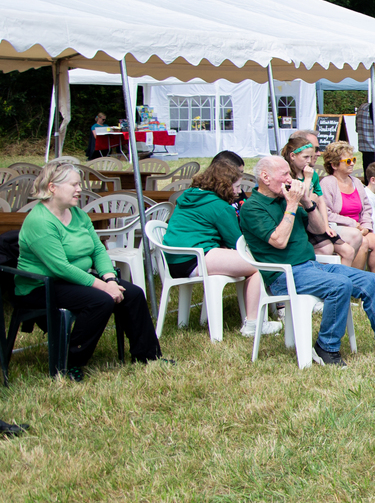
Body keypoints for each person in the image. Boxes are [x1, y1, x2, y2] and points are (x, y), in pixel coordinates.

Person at [240, 156, 375, 365]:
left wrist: (307, 203)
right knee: (340, 285)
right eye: (284, 174)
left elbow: (318, 229)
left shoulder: (286, 200)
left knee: (370, 281)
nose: (289, 179)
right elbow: (279, 241)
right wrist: (292, 204)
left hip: (310, 265)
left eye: (289, 173)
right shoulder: (252, 207)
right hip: (282, 274)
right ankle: (325, 348)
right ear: (265, 177)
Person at [14, 161, 165, 380]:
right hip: (41, 285)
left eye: (79, 184)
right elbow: (60, 268)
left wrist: (110, 279)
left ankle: (148, 356)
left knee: (132, 293)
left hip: (73, 280)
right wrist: (103, 287)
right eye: (73, 185)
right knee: (100, 301)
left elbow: (97, 249)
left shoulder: (77, 214)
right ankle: (70, 362)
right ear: (52, 187)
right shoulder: (40, 221)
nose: (79, 189)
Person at [161, 158, 278, 338]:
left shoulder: (188, 196)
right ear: (225, 185)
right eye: (237, 187)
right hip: (197, 257)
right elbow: (237, 242)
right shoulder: (220, 207)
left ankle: (254, 319)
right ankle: (253, 324)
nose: (239, 192)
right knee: (257, 266)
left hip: (175, 259)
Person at [281, 133, 356, 265]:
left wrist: (325, 225)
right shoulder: (288, 176)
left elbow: (320, 201)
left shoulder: (312, 174)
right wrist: (308, 180)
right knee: (327, 249)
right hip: (301, 223)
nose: (309, 161)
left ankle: (343, 281)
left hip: (315, 220)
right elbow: (302, 198)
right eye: (305, 157)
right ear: (292, 156)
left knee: (348, 251)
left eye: (310, 157)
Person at [320, 141, 375, 277]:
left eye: (353, 160)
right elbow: (326, 213)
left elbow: (367, 209)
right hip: (339, 229)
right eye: (348, 160)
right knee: (363, 242)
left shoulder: (356, 182)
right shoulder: (327, 183)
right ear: (334, 165)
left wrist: (366, 226)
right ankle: (355, 283)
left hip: (359, 228)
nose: (352, 163)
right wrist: (352, 224)